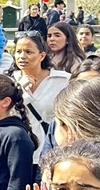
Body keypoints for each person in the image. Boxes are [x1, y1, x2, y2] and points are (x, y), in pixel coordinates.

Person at [10, 31, 71, 162]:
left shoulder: (62, 80)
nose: (22, 56)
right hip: (17, 155)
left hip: (51, 153)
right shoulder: (8, 81)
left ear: (42, 56)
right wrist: (17, 89)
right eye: (18, 51)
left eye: (28, 52)